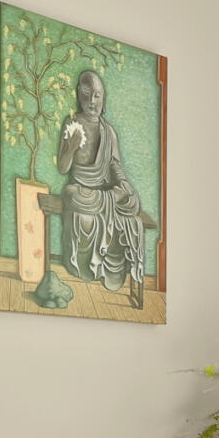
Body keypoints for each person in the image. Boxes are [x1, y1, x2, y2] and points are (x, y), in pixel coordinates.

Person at [53, 65, 154, 305]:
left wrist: (123, 185)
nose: (92, 102)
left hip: (102, 192)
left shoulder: (109, 132)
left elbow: (115, 166)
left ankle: (113, 202)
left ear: (103, 97)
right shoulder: (72, 124)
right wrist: (71, 147)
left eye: (97, 96)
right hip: (81, 189)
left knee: (132, 203)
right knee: (71, 195)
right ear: (79, 94)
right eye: (87, 95)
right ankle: (89, 261)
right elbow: (63, 168)